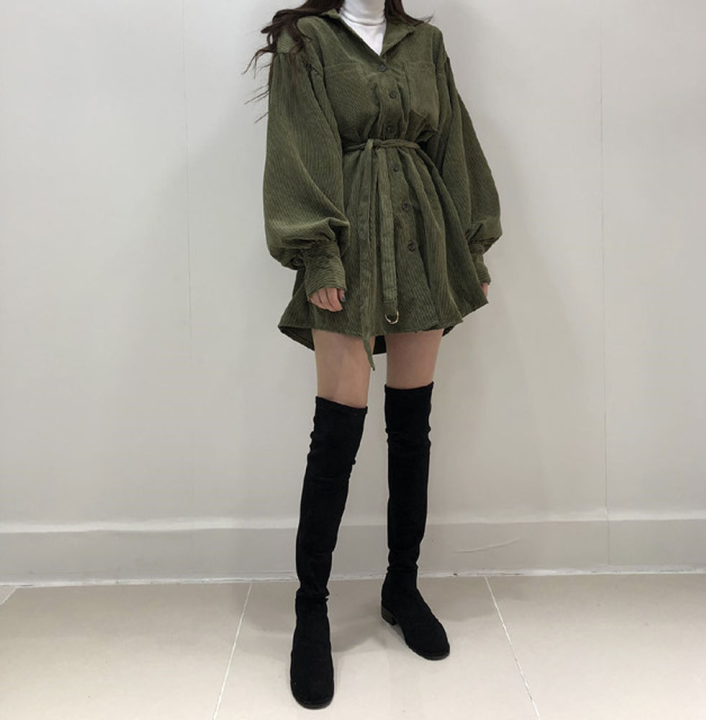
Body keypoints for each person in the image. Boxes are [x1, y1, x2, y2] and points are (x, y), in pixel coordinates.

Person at [251, 0, 502, 709]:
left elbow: (453, 143)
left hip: (424, 236)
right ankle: (311, 609)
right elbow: (298, 146)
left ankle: (402, 587)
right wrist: (318, 256)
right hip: (349, 241)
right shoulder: (308, 40)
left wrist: (472, 243)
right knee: (337, 431)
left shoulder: (426, 43)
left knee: (411, 427)